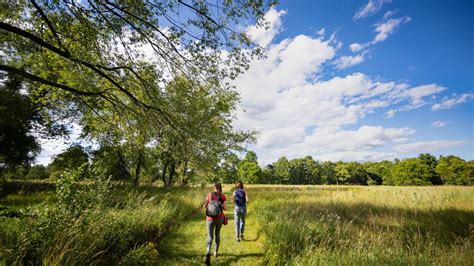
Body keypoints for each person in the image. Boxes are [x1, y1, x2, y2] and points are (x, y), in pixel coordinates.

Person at [203, 182, 227, 263]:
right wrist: (220, 206)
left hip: (210, 218)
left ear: (214, 187)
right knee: (217, 234)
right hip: (219, 218)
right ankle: (215, 252)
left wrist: (209, 205)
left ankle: (208, 252)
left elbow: (204, 206)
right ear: (220, 187)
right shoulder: (223, 196)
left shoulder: (209, 194)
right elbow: (225, 208)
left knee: (210, 236)